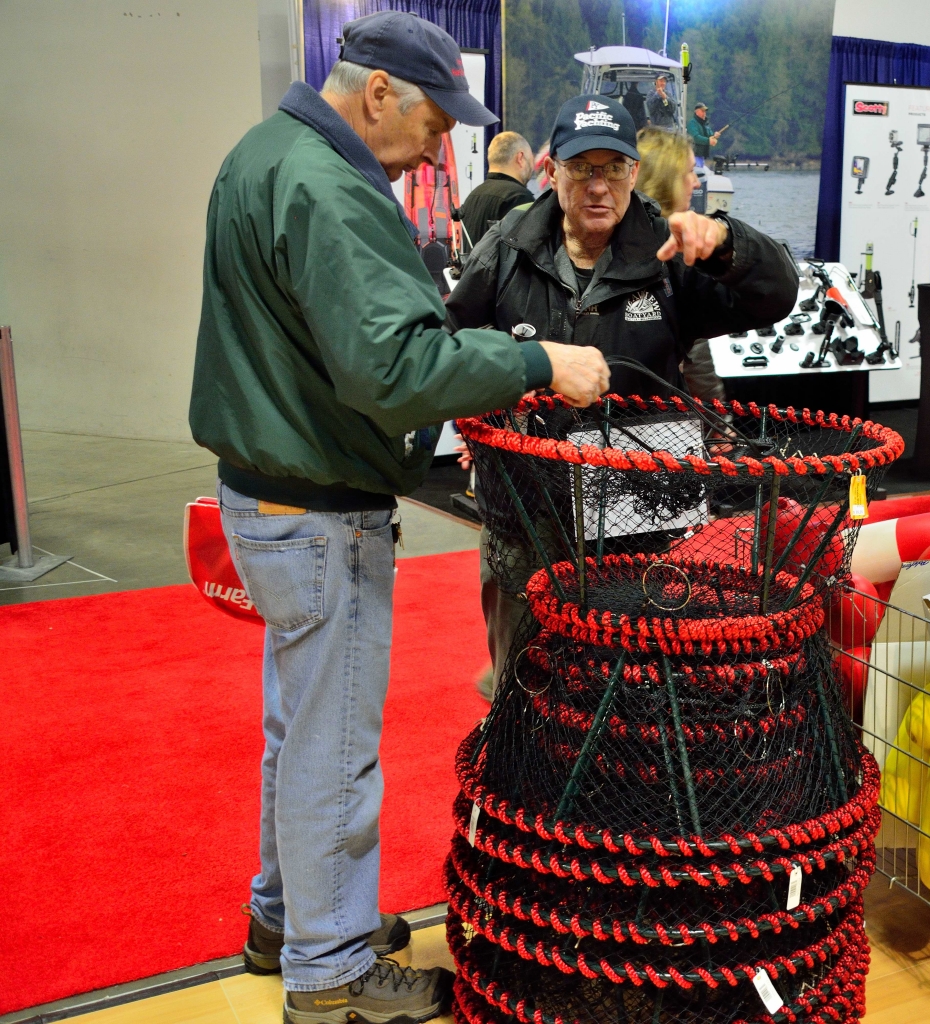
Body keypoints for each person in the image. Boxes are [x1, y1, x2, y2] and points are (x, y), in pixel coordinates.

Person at [188, 12, 609, 1023]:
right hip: (321, 507)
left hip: (271, 487)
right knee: (335, 742)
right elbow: (394, 368)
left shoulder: (267, 151)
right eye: (432, 120)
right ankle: (330, 975)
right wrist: (537, 361)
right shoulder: (332, 188)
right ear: (375, 92)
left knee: (299, 727)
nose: (441, 145)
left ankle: (285, 917)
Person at [446, 93, 797, 700]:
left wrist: (726, 243)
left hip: (638, 516)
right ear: (552, 170)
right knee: (520, 690)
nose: (598, 185)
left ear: (634, 173)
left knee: (628, 692)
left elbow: (776, 295)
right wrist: (485, 403)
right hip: (525, 512)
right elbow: (450, 339)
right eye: (582, 168)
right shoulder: (507, 245)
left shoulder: (665, 252)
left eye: (613, 168)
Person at [635, 127, 725, 402]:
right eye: (689, 172)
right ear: (667, 179)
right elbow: (695, 355)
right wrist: (719, 421)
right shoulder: (675, 253)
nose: (696, 184)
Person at [457, 130, 534, 246]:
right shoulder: (519, 198)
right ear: (520, 158)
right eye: (531, 161)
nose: (532, 168)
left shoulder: (472, 197)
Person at [688, 101, 722, 166]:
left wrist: (714, 136)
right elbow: (695, 137)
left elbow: (710, 134)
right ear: (696, 112)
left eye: (705, 111)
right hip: (695, 154)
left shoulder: (705, 124)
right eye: (702, 111)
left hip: (702, 155)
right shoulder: (692, 123)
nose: (704, 113)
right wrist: (708, 141)